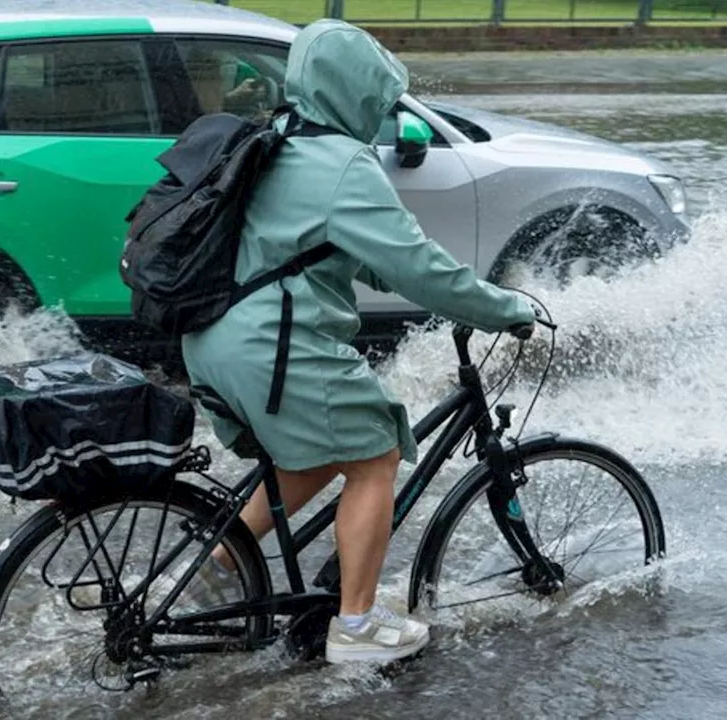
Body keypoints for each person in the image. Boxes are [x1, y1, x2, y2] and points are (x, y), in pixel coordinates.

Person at [179, 20, 536, 665]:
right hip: (273, 348)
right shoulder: (344, 163)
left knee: (312, 455)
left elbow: (319, 247)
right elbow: (418, 268)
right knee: (374, 453)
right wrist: (500, 308)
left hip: (212, 340)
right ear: (355, 89)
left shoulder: (278, 137)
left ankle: (215, 569)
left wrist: (403, 274)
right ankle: (358, 626)